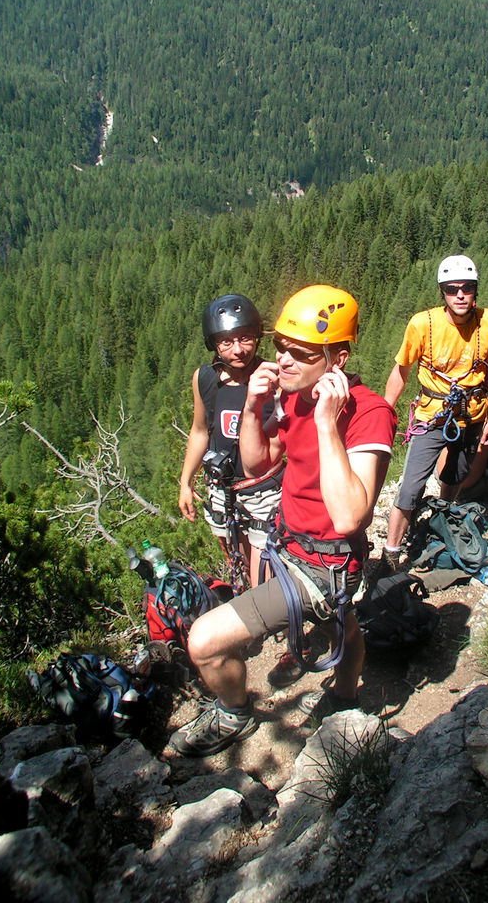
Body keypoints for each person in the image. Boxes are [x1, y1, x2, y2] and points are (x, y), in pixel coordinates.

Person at [169, 285, 397, 757]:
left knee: (205, 642)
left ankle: (234, 715)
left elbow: (352, 514)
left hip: (323, 562)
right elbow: (257, 465)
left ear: (337, 358)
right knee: (344, 621)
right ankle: (346, 695)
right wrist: (253, 406)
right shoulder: (291, 395)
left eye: (301, 353)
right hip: (291, 543)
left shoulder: (368, 413)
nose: (283, 360)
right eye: (280, 347)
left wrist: (326, 424)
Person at [382, 255, 488, 564]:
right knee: (411, 486)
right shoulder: (423, 324)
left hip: (473, 415)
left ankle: (442, 516)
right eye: (452, 289)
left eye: (467, 288)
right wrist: (384, 414)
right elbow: (401, 371)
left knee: (455, 475)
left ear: (475, 289)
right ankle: (391, 551)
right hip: (433, 414)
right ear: (443, 292)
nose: (460, 295)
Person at [178, 294, 283, 591]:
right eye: (227, 342)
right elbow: (200, 430)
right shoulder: (205, 379)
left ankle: (271, 620)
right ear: (214, 344)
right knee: (236, 558)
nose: (238, 349)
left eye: (246, 338)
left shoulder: (272, 378)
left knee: (264, 571)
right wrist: (186, 482)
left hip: (264, 489)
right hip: (221, 489)